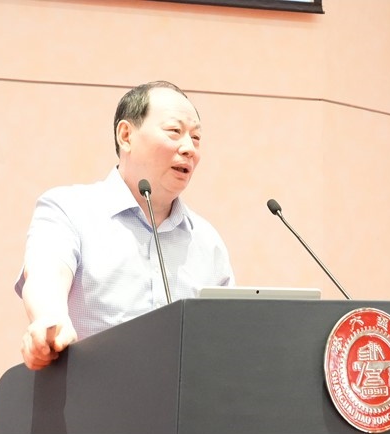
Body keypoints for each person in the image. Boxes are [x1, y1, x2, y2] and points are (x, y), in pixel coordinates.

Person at [14, 81, 235, 370]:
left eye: (196, 138)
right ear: (126, 135)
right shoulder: (69, 208)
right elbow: (46, 272)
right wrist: (49, 319)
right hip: (92, 392)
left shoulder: (206, 240)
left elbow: (227, 334)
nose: (189, 148)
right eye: (174, 131)